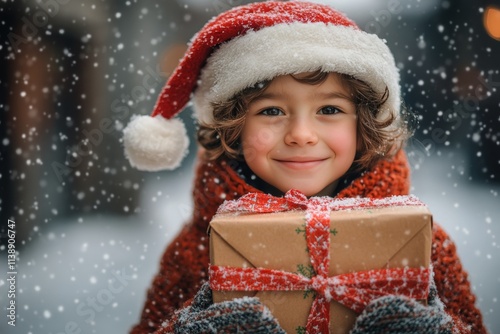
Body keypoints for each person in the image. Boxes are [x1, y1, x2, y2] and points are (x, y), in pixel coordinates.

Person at [123, 1, 487, 333]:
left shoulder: (422, 244)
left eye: (329, 110)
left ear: (365, 125)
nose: (301, 134)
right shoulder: (196, 249)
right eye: (271, 111)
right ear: (233, 126)